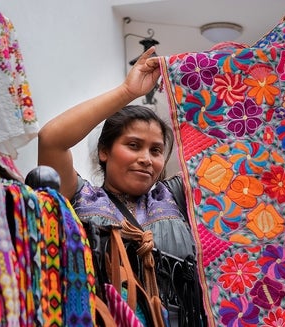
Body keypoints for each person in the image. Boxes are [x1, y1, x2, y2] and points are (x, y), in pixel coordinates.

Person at [37, 47, 200, 325]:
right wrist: (127, 91)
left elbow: (236, 156)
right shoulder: (79, 198)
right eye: (133, 145)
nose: (146, 159)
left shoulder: (177, 197)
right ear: (104, 151)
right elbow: (51, 139)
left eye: (156, 150)